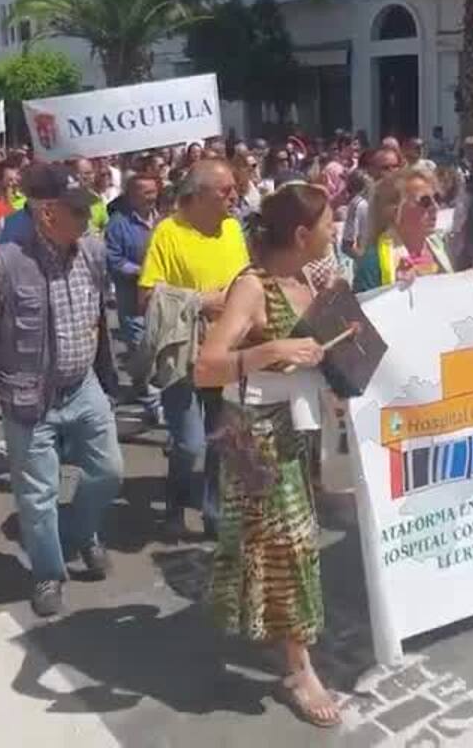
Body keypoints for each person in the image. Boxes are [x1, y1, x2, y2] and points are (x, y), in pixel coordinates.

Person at [192, 184, 341, 728]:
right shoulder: (252, 288)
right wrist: (272, 350)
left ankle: (276, 634)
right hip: (254, 434)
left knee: (272, 544)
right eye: (328, 222)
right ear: (301, 235)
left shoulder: (309, 278)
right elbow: (206, 366)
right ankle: (300, 668)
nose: (335, 229)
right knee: (293, 544)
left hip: (298, 427)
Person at [0, 164, 121, 618]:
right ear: (46, 214)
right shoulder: (6, 263)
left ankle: (81, 531)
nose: (86, 220)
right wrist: (15, 375)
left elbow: (99, 316)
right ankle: (48, 573)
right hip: (29, 396)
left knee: (109, 471)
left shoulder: (93, 254)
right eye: (77, 212)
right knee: (37, 494)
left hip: (83, 387)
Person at [140, 159, 251, 539]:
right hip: (184, 353)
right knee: (188, 442)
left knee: (222, 438)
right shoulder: (168, 233)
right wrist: (201, 301)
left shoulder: (235, 229)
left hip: (227, 352)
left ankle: (214, 513)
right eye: (226, 190)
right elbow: (146, 296)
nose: (234, 196)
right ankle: (175, 500)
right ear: (199, 194)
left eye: (234, 189)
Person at [105, 173, 164, 427]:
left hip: (163, 299)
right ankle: (155, 404)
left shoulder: (164, 220)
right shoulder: (118, 224)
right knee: (143, 349)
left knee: (160, 351)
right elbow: (113, 260)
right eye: (145, 192)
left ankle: (150, 392)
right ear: (131, 196)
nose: (151, 197)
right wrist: (143, 272)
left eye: (153, 191)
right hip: (133, 301)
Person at [353, 168, 452, 291]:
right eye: (425, 201)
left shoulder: (443, 249)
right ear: (394, 212)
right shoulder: (372, 263)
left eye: (436, 198)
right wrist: (394, 290)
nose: (435, 207)